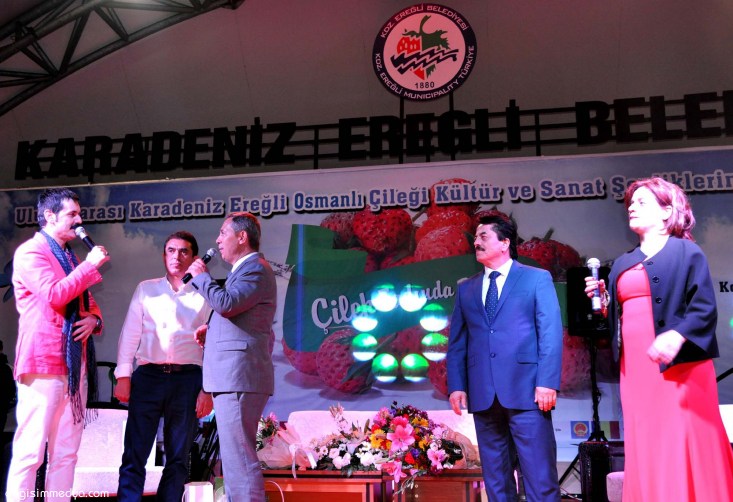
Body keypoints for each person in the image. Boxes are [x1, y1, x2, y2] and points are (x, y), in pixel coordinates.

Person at [584, 177, 733, 501]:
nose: (632, 208)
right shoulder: (622, 262)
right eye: (631, 203)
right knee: (646, 439)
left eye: (642, 202)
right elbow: (619, 322)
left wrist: (677, 335)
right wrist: (605, 304)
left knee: (684, 435)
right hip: (636, 370)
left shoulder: (686, 252)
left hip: (680, 368)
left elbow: (704, 308)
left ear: (667, 211)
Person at [447, 214, 563, 502]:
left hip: (528, 391)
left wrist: (547, 382)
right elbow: (458, 342)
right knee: (496, 482)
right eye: (475, 237)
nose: (476, 242)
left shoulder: (536, 278)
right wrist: (457, 386)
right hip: (483, 394)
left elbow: (550, 333)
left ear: (505, 242)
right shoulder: (466, 288)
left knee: (539, 477)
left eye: (483, 236)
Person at [6, 187, 109, 502]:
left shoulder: (69, 256)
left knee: (66, 453)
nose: (79, 221)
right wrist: (89, 266)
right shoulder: (31, 252)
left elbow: (87, 302)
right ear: (50, 216)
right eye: (72, 214)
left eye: (80, 214)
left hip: (74, 366)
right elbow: (54, 294)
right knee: (31, 452)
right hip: (43, 362)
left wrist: (94, 321)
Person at [114, 231, 214, 501]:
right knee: (135, 453)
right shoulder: (146, 289)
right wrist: (123, 376)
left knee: (178, 457)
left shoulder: (206, 294)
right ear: (163, 255)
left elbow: (213, 346)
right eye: (171, 250)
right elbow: (130, 334)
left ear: (194, 258)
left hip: (187, 380)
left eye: (184, 251)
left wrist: (207, 390)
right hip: (148, 377)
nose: (176, 257)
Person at [185, 212, 276, 502]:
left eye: (223, 233)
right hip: (235, 376)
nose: (217, 240)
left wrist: (202, 278)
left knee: (240, 460)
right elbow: (242, 315)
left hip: (239, 376)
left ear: (242, 237)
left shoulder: (255, 268)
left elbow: (227, 303)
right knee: (236, 460)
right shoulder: (246, 270)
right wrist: (211, 330)